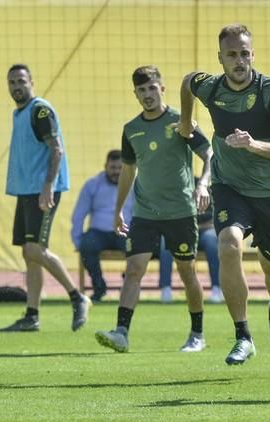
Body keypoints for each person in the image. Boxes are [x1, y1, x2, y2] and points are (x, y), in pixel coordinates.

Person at [179, 23, 270, 365]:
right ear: (220, 58)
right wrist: (187, 123)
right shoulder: (210, 87)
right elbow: (188, 81)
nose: (239, 60)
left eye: (244, 53)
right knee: (228, 244)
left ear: (252, 55)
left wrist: (253, 144)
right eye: (232, 54)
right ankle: (243, 336)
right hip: (229, 186)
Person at [94, 65, 212, 353]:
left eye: (152, 88)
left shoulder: (180, 122)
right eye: (141, 90)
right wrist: (119, 209)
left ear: (162, 88)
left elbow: (208, 154)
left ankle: (197, 334)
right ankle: (121, 332)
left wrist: (203, 184)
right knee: (134, 268)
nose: (147, 94)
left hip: (180, 211)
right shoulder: (131, 130)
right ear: (135, 94)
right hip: (145, 213)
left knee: (187, 273)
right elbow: (128, 170)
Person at [0, 64, 91, 332]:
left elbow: (57, 149)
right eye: (12, 82)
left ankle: (77, 297)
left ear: (32, 82)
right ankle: (32, 315)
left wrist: (48, 185)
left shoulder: (40, 110)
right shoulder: (19, 113)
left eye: (21, 81)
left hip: (42, 190)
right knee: (29, 256)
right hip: (27, 190)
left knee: (35, 250)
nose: (17, 86)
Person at [71, 149, 134, 304]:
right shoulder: (92, 185)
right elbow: (79, 214)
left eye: (120, 168)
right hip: (98, 232)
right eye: (113, 168)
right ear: (106, 166)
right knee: (86, 245)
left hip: (125, 231)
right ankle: (99, 287)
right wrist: (77, 240)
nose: (116, 172)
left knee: (139, 247)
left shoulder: (134, 185)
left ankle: (129, 284)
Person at [159, 177, 223, 304]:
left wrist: (195, 226)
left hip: (204, 231)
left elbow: (214, 219)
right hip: (182, 231)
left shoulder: (207, 190)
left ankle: (217, 289)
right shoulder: (174, 191)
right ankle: (165, 289)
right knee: (165, 243)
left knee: (212, 242)